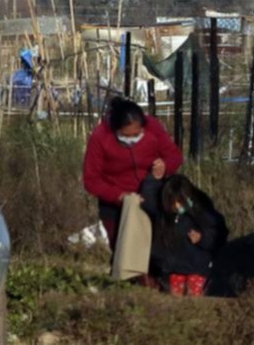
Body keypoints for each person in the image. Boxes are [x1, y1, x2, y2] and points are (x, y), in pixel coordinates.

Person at [83, 96, 183, 250]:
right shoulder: (100, 137)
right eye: (126, 136)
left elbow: (175, 156)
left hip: (153, 199)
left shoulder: (153, 127)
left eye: (137, 135)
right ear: (115, 129)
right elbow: (91, 180)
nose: (132, 140)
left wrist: (165, 166)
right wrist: (118, 195)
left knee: (156, 250)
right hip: (115, 206)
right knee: (124, 252)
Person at [140, 174, 228, 297]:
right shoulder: (163, 214)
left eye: (179, 201)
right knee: (173, 305)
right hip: (171, 270)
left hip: (197, 270)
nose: (176, 206)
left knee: (194, 303)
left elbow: (218, 235)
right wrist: (153, 178)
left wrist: (202, 238)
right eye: (172, 202)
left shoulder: (202, 212)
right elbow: (148, 200)